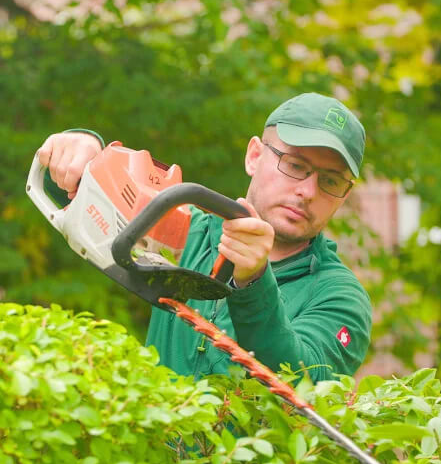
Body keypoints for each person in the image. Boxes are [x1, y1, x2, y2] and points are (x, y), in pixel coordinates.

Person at [35, 93, 372, 384]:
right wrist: (82, 153)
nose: (308, 191)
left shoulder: (339, 296)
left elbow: (299, 384)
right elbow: (90, 202)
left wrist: (254, 281)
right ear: (254, 156)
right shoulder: (188, 232)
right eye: (296, 165)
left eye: (330, 181)